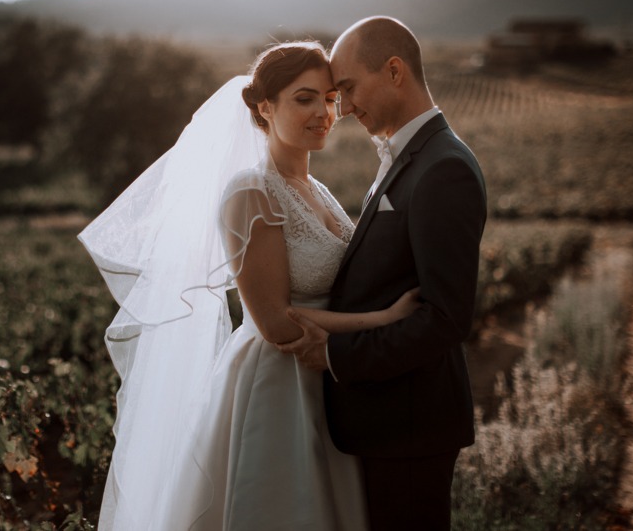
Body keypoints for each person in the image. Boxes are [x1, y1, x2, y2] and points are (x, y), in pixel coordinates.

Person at [79, 41, 420, 530]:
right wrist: (385, 321)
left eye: (329, 98)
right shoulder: (250, 190)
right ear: (265, 107)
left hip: (331, 376)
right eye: (304, 99)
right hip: (281, 387)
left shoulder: (316, 188)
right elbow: (275, 323)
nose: (324, 112)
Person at [279, 17, 488, 530]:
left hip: (410, 430)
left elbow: (444, 319)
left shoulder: (444, 168)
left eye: (347, 89)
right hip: (385, 424)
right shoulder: (409, 156)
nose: (343, 109)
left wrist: (335, 355)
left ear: (394, 71)